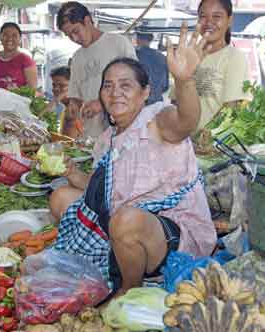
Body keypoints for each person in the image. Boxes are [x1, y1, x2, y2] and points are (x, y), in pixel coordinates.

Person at [50, 23, 217, 296]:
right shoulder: (107, 139)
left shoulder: (157, 120)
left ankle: (128, 290)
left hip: (168, 230)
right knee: (60, 197)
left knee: (125, 221)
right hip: (122, 218)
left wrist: (185, 81)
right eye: (108, 86)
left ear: (145, 92)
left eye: (126, 85)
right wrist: (71, 173)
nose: (115, 92)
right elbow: (103, 187)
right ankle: (111, 258)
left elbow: (186, 121)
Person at [57, 1, 137, 139]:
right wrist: (73, 107)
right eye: (69, 35)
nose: (74, 39)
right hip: (91, 136)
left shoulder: (118, 43)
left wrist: (102, 103)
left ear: (87, 21)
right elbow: (76, 96)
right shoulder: (77, 58)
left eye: (76, 31)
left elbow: (135, 85)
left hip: (120, 133)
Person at [177, 0, 251, 131]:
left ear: (229, 20)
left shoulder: (234, 58)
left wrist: (204, 137)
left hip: (212, 146)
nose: (208, 22)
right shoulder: (189, 55)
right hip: (183, 142)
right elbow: (176, 102)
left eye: (217, 16)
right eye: (203, 16)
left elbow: (231, 108)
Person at [0, 22, 37, 90]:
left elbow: (32, 89)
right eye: (5, 35)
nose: (9, 38)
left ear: (20, 39)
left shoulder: (26, 60)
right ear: (0, 37)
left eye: (14, 35)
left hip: (18, 100)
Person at [135, 32, 169, 105]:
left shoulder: (134, 56)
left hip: (140, 103)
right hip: (157, 102)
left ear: (138, 39)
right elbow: (166, 85)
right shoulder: (162, 57)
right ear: (151, 40)